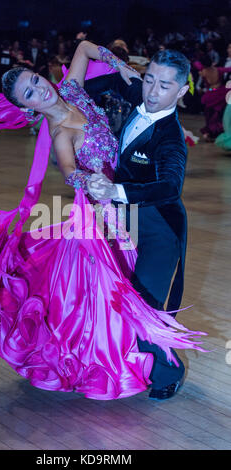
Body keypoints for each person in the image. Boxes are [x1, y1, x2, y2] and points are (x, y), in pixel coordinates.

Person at [0, 41, 206, 401]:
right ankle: (147, 367)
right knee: (120, 303)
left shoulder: (74, 89)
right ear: (28, 109)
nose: (40, 88)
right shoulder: (60, 133)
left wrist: (116, 64)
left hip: (142, 214)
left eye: (37, 80)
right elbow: (71, 171)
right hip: (107, 210)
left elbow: (85, 48)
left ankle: (153, 365)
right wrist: (90, 184)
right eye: (30, 93)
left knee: (137, 301)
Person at [84, 48, 197, 399]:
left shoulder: (171, 138)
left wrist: (115, 189)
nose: (152, 91)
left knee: (142, 310)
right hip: (127, 222)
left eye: (164, 85)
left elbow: (169, 187)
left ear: (180, 92)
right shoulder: (139, 94)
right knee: (115, 299)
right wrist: (121, 71)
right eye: (149, 79)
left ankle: (169, 373)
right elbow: (88, 88)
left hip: (161, 230)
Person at [197, 55, 231, 141]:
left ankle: (208, 133)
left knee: (209, 115)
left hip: (210, 93)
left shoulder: (203, 71)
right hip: (219, 93)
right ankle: (213, 132)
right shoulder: (218, 70)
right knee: (216, 115)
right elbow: (228, 69)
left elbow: (196, 64)